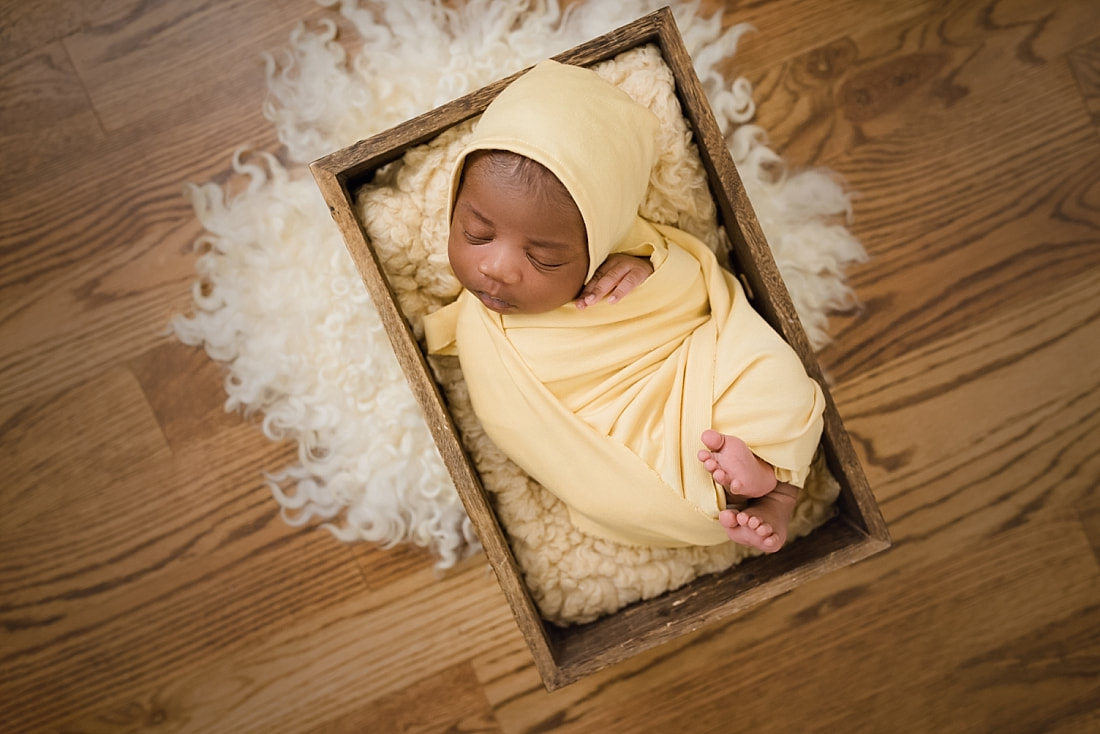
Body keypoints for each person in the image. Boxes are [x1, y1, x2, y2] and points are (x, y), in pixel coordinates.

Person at [424, 59, 825, 553]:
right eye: (476, 233)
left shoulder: (633, 253)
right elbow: (523, 429)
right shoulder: (475, 322)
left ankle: (775, 491)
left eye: (544, 256)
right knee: (639, 497)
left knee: (777, 379)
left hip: (680, 375)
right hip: (613, 447)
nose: (499, 268)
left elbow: (700, 297)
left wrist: (652, 269)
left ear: (598, 240)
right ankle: (739, 492)